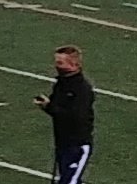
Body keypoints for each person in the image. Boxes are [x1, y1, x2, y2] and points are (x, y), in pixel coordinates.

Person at [34, 45, 95, 184]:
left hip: (77, 144)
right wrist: (46, 106)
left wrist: (50, 107)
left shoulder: (82, 89)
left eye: (60, 63)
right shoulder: (61, 84)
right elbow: (57, 110)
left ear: (74, 64)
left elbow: (75, 116)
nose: (57, 66)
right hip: (63, 143)